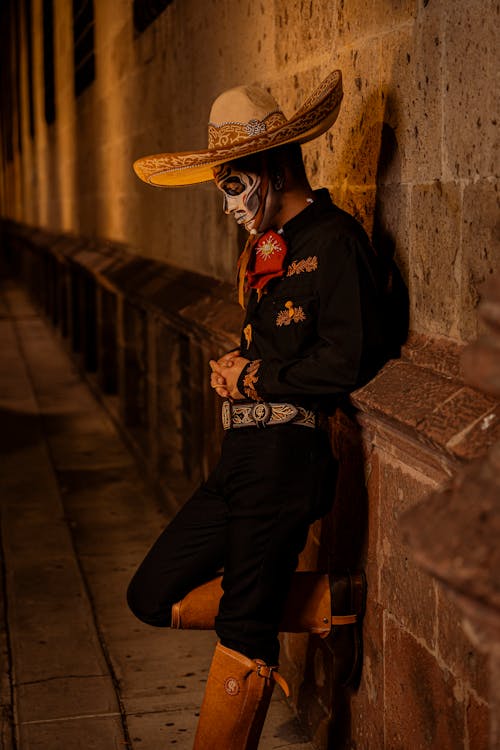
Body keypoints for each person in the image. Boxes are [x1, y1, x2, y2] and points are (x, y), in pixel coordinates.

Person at [128, 70, 388, 749]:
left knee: (244, 632)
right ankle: (333, 600)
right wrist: (233, 370)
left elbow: (351, 358)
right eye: (223, 188)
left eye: (234, 185)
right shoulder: (264, 250)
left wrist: (259, 378)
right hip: (240, 459)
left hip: (288, 462)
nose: (229, 205)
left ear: (274, 166)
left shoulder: (334, 241)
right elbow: (267, 353)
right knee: (150, 594)